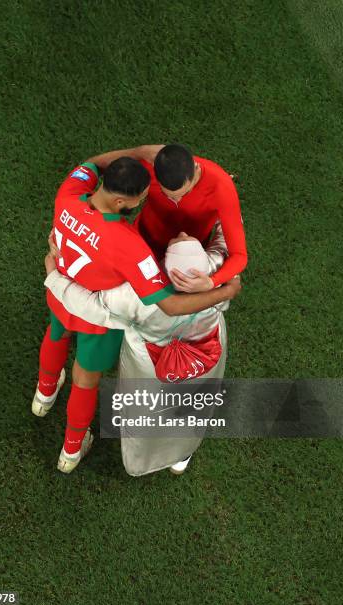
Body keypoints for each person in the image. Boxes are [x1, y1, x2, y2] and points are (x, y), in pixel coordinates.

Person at [33, 157, 241, 474]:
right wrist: (224, 291)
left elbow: (90, 163)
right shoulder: (131, 246)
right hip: (97, 322)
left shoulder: (68, 193)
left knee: (55, 335)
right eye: (141, 197)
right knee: (84, 380)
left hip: (61, 295)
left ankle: (44, 395)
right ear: (122, 201)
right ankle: (71, 451)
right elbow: (169, 305)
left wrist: (52, 267)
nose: (143, 201)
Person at [86, 143, 248, 292]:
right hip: (142, 242)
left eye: (184, 193)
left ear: (197, 169)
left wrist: (211, 282)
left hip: (186, 257)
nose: (177, 201)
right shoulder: (148, 166)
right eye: (166, 194)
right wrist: (138, 152)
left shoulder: (221, 187)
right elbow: (91, 166)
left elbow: (239, 255)